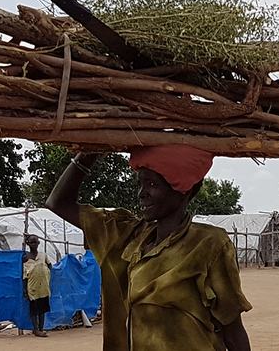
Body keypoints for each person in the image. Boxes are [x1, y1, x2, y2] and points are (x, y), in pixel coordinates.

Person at [46, 145, 252, 351]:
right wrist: (90, 151)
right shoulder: (124, 236)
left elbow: (232, 329)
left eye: (152, 184)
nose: (142, 194)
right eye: (140, 184)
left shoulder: (209, 244)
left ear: (185, 189)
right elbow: (58, 203)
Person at [22, 234, 51, 337]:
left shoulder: (43, 255)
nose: (34, 244)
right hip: (32, 287)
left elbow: (49, 265)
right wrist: (25, 290)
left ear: (39, 243)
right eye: (31, 242)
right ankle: (35, 329)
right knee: (34, 310)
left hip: (43, 287)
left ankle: (41, 328)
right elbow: (24, 276)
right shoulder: (25, 258)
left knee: (42, 309)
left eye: (35, 242)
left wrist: (46, 275)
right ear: (28, 244)